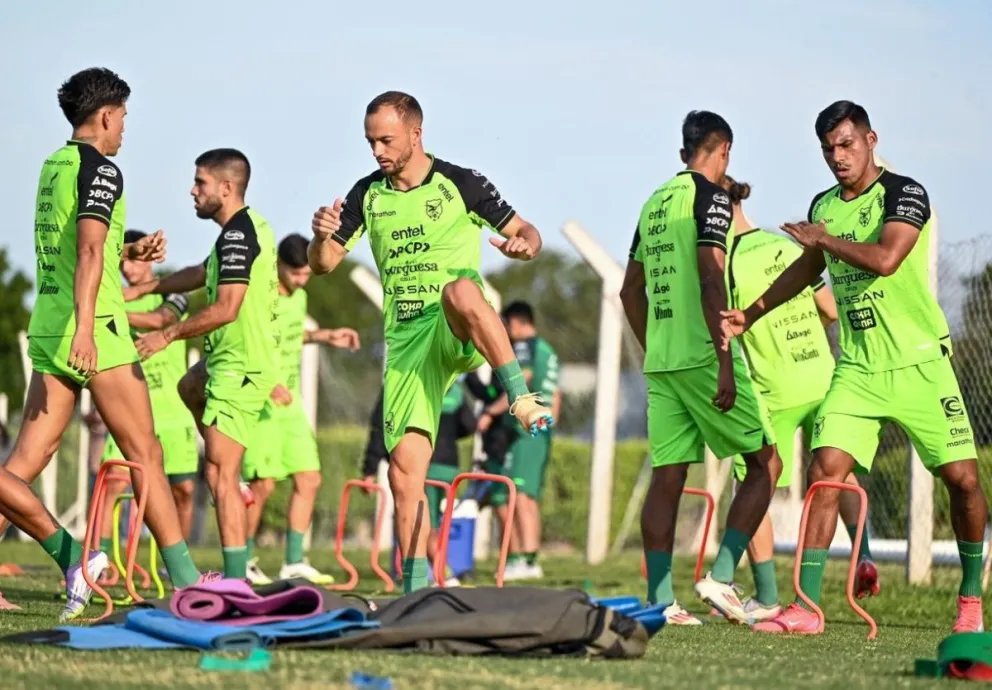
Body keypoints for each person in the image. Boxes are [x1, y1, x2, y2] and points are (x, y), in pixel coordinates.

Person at [722, 100, 987, 634]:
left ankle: (970, 601)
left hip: (918, 365)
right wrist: (749, 314)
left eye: (846, 144)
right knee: (824, 473)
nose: (837, 157)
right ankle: (808, 608)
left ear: (870, 139)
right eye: (827, 149)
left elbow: (887, 259)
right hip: (859, 368)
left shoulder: (905, 193)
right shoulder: (825, 204)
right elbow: (806, 270)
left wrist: (824, 239)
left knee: (962, 481)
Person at [308, 90, 554, 593]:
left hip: (453, 323)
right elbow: (324, 264)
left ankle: (520, 397)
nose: (376, 150)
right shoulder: (366, 195)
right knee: (404, 478)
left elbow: (526, 230)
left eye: (386, 140)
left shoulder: (461, 182)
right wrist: (319, 235)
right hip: (406, 345)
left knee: (462, 289)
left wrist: (525, 246)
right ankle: (417, 592)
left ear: (415, 134)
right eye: (370, 141)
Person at [0, 67, 206, 621]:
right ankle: (186, 583)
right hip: (95, 329)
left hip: (46, 324)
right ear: (107, 114)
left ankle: (71, 557)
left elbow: (80, 250)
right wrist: (89, 328)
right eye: (124, 119)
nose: (123, 131)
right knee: (146, 455)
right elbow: (88, 254)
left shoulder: (54, 165)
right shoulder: (102, 169)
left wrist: (129, 258)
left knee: (21, 464)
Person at [619, 110, 782, 626]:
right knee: (765, 463)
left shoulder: (652, 203)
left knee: (667, 476)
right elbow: (713, 280)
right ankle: (723, 575)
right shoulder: (711, 197)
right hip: (704, 355)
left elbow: (629, 290)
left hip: (664, 362)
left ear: (684, 150)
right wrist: (725, 360)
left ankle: (661, 601)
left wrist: (654, 348)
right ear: (724, 150)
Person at [721, 175, 878, 623]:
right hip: (824, 375)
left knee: (753, 483)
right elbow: (830, 310)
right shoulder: (787, 247)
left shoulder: (723, 262)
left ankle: (767, 595)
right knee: (835, 472)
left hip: (773, 388)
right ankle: (863, 555)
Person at [124, 148, 280, 581]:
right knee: (188, 386)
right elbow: (200, 272)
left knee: (217, 475)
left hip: (240, 366)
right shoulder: (245, 228)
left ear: (226, 188)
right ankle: (236, 488)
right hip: (226, 362)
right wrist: (144, 288)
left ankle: (235, 583)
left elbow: (226, 309)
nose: (192, 192)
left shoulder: (236, 235)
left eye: (201, 183)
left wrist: (167, 333)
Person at [242, 234, 361, 586]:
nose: (301, 281)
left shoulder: (301, 297)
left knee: (309, 478)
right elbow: (244, 343)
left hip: (291, 406)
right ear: (279, 265)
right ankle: (244, 559)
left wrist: (324, 336)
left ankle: (293, 561)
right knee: (261, 486)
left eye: (306, 275)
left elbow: (291, 336)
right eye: (295, 275)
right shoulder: (258, 297)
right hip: (259, 403)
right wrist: (266, 383)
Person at [99, 229, 199, 554]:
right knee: (111, 485)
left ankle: (177, 568)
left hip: (173, 413)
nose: (127, 269)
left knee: (182, 490)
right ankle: (96, 562)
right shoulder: (109, 296)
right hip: (127, 408)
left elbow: (162, 320)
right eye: (123, 262)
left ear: (150, 258)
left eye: (133, 260)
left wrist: (116, 315)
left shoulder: (175, 291)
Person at [362, 381, 476, 586]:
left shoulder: (401, 383)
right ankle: (434, 573)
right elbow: (470, 425)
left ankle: (444, 575)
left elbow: (381, 426)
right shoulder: (455, 389)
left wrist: (369, 468)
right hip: (449, 466)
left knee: (423, 522)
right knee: (433, 521)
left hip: (423, 464)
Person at [477, 301, 560, 580]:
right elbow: (555, 395)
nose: (507, 331)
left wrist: (490, 411)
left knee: (522, 496)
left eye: (507, 324)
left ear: (518, 322)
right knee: (512, 494)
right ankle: (519, 559)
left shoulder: (526, 346)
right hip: (537, 429)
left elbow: (520, 381)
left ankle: (528, 560)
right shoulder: (547, 350)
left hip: (528, 428)